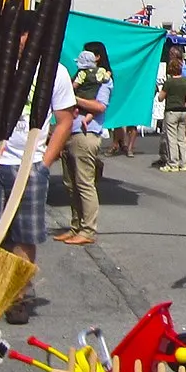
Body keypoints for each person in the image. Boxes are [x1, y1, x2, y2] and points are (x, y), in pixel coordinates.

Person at [0, 22, 74, 324]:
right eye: (21, 35)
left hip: (28, 163)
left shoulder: (54, 71)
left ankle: (17, 295)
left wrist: (45, 161)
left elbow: (65, 118)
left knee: (23, 234)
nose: (25, 42)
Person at [58, 43, 113, 245]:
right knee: (70, 184)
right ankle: (76, 227)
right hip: (68, 132)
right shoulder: (79, 76)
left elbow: (99, 106)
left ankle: (88, 230)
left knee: (84, 184)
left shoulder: (104, 80)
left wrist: (75, 99)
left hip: (86, 134)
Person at [154, 52, 186, 172]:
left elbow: (160, 98)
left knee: (171, 138)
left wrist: (161, 92)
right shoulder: (185, 81)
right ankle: (183, 162)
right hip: (183, 112)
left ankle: (173, 163)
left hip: (172, 111)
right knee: (181, 138)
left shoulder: (169, 82)